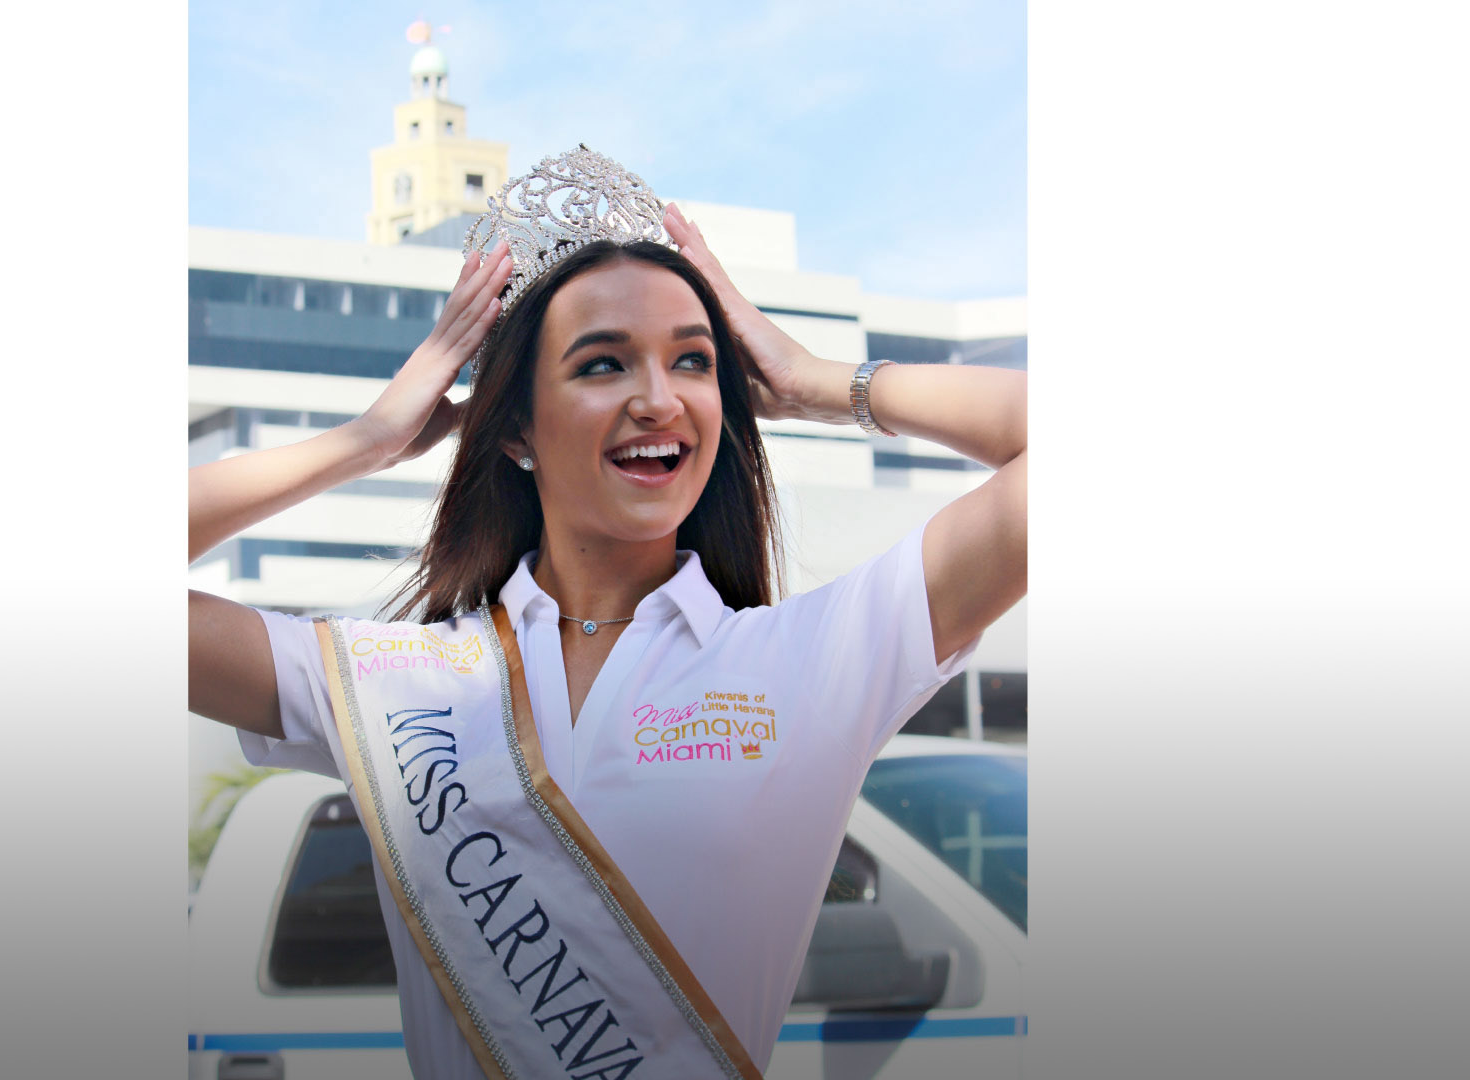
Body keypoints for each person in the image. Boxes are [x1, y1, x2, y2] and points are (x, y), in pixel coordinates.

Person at [188, 147, 1025, 1080]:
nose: (658, 400)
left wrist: (818, 380)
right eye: (603, 364)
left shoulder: (811, 659)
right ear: (514, 429)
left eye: (694, 362)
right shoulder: (392, 679)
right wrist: (368, 440)